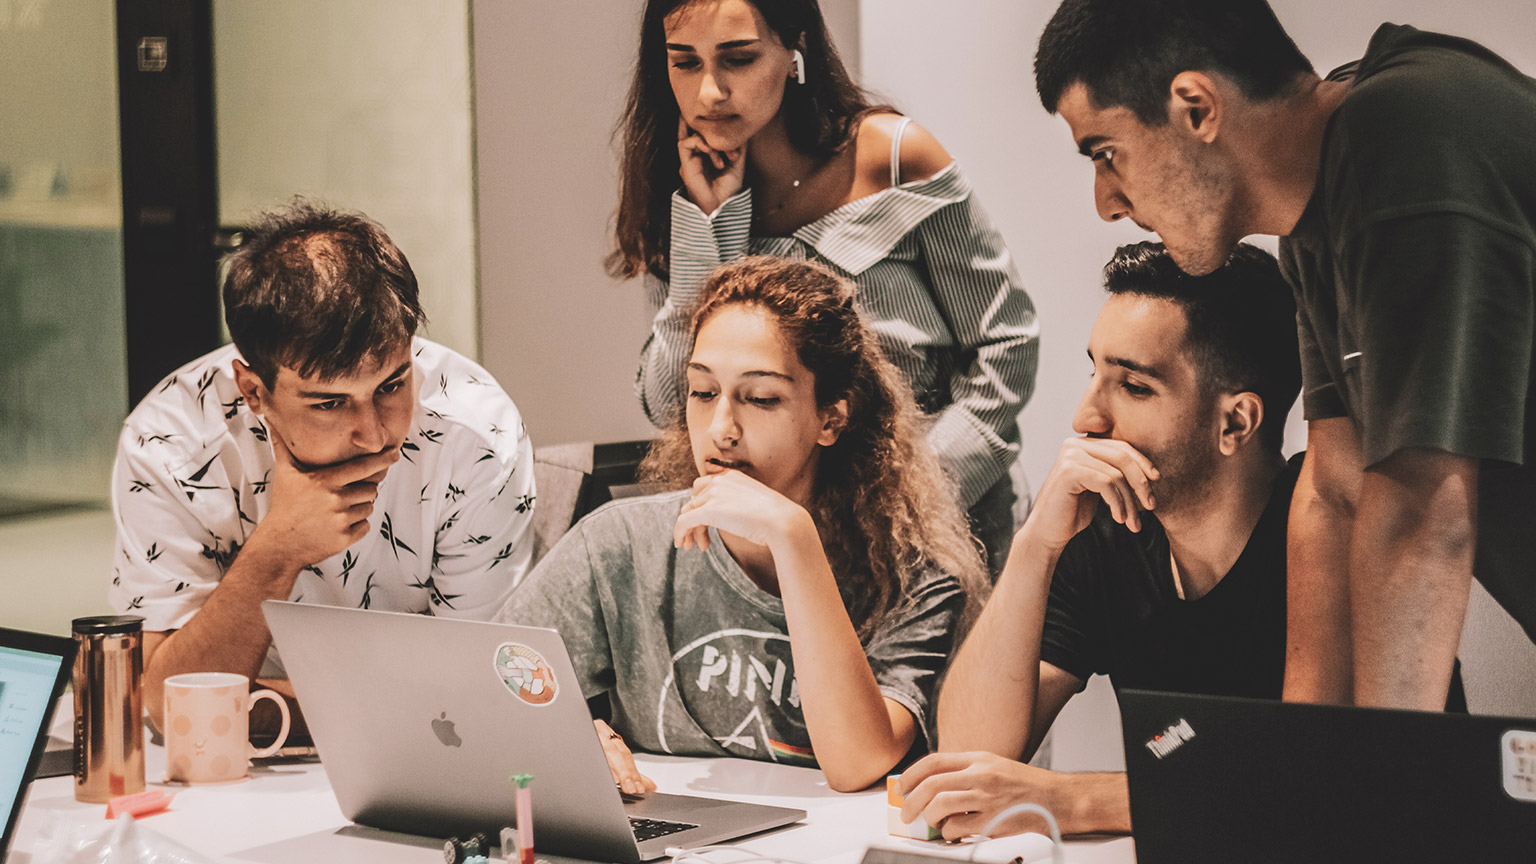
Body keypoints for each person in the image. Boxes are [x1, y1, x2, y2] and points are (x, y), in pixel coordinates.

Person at [1034, 0, 1536, 711]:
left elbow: (1422, 510)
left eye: (1105, 153)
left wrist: (1375, 782)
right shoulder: (1318, 221)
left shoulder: (1405, 140)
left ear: (1196, 109)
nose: (1106, 203)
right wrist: (1300, 762)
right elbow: (1335, 493)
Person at [498, 256, 987, 793]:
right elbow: (482, 691)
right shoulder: (619, 543)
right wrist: (570, 736)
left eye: (760, 398)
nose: (722, 428)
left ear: (831, 418)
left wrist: (794, 538)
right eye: (703, 392)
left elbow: (857, 763)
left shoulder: (912, 578)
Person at [613, 0, 1039, 574]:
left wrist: (919, 492)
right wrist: (706, 228)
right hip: (780, 540)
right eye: (685, 63)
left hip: (946, 522)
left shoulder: (891, 156)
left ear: (795, 52)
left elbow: (1006, 345)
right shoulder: (687, 186)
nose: (710, 92)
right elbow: (671, 401)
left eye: (737, 59)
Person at [899, 242, 1307, 837]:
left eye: (1134, 387)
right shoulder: (1109, 532)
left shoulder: (1324, 531)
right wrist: (1036, 544)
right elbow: (971, 749)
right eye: (1095, 373)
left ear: (1235, 422)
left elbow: (1321, 778)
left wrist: (1076, 800)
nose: (1086, 418)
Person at [109, 200, 538, 732]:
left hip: (425, 760)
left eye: (392, 385)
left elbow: (481, 694)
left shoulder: (476, 436)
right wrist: (277, 550)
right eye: (329, 403)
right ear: (253, 391)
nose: (375, 433)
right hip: (229, 767)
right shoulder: (170, 443)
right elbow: (162, 704)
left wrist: (261, 709)